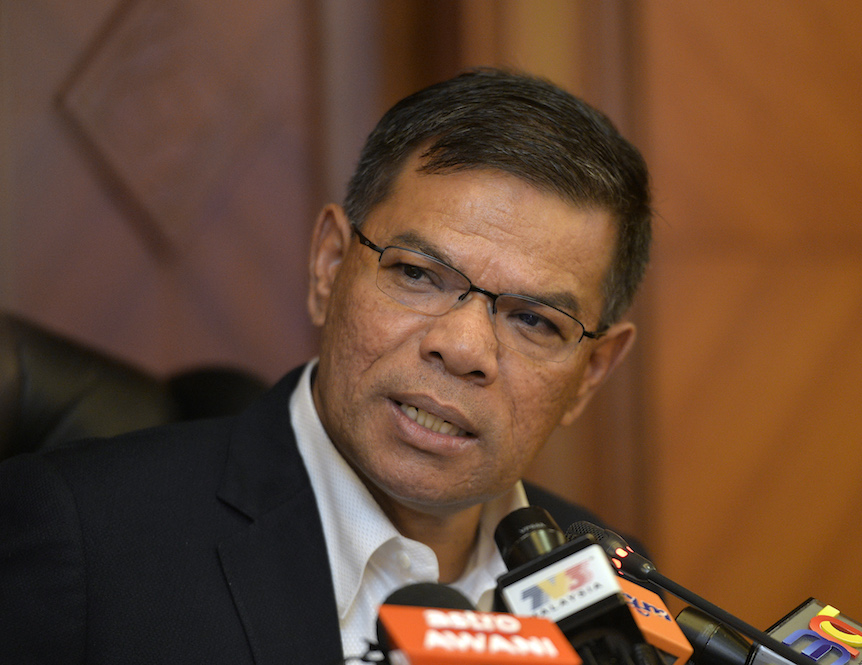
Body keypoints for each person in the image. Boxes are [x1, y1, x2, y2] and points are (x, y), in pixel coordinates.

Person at [0, 67, 651, 663]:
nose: (462, 348)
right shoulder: (84, 540)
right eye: (417, 274)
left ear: (591, 372)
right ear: (329, 265)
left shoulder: (616, 592)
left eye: (534, 319)